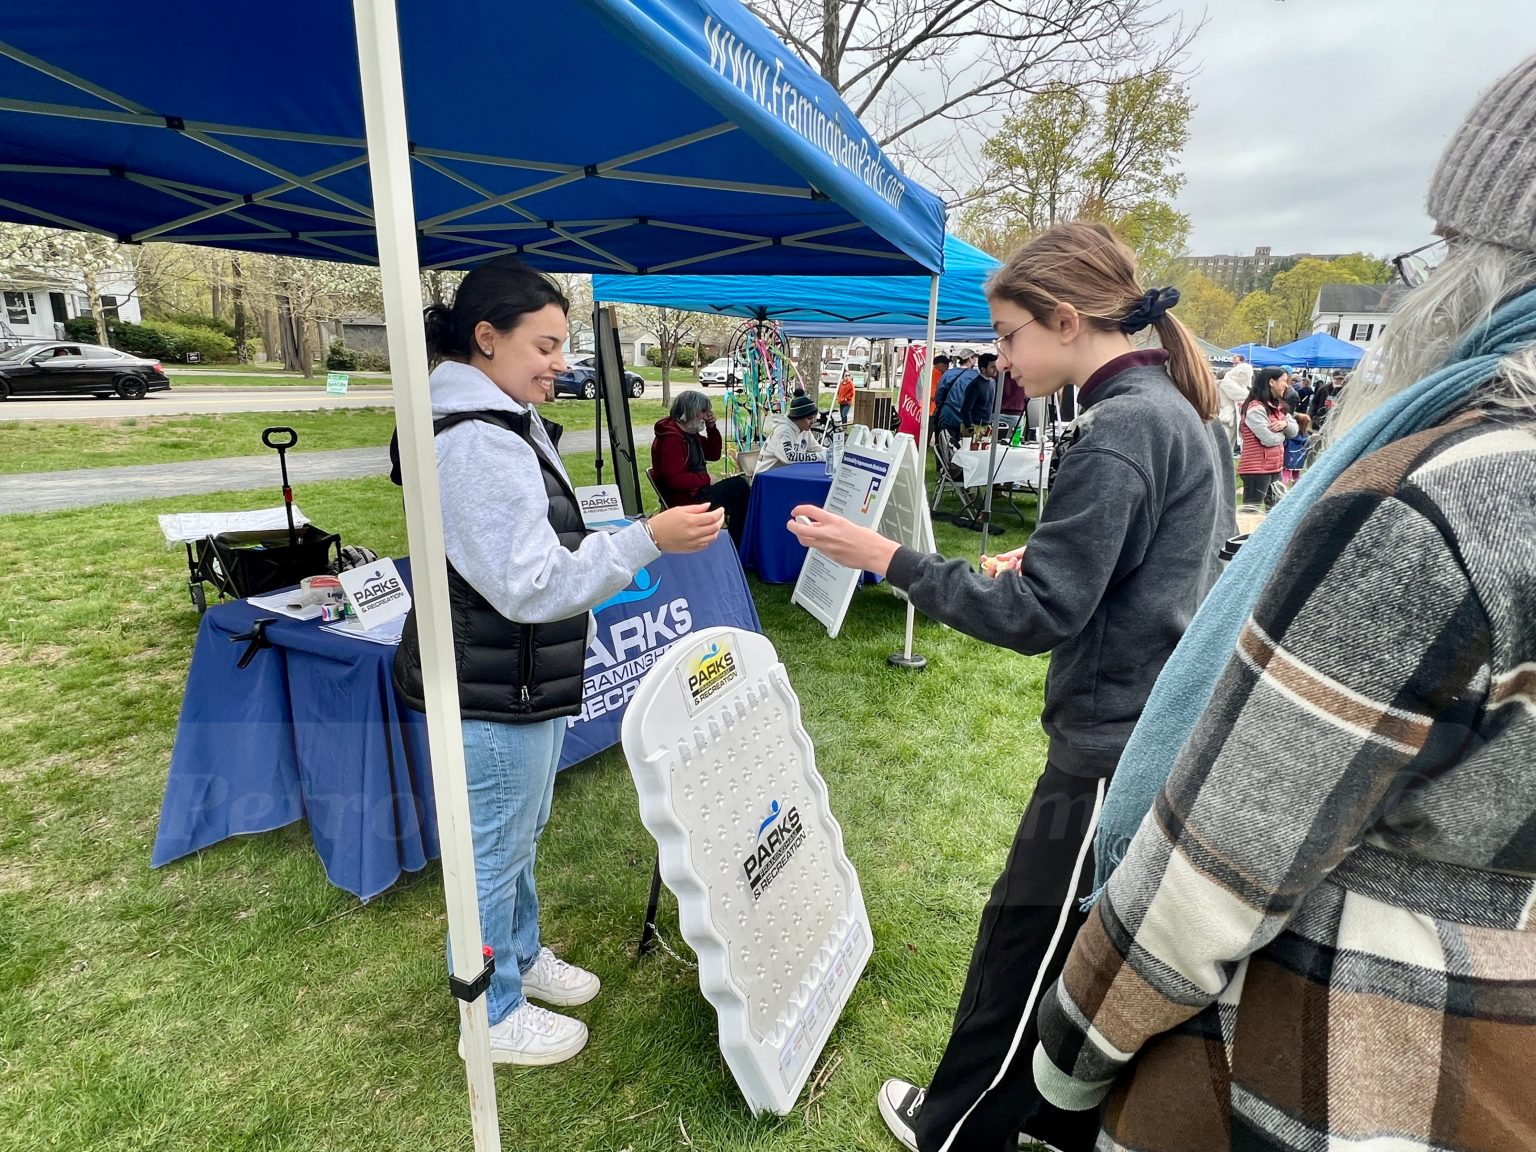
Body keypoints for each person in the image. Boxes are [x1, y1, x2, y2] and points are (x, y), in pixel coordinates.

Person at [1032, 53, 1536, 1152]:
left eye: (1441, 249)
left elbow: (1227, 854)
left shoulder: (1455, 487)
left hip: (1323, 1066)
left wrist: (1065, 1063)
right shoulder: (1178, 411)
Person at [788, 220, 1235, 1152]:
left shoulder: (1119, 428)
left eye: (1006, 335)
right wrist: (1052, 551)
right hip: (1147, 733)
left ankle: (953, 1130)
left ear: (1065, 320)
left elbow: (1036, 617)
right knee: (1085, 952)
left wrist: (889, 557)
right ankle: (1058, 1120)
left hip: (1111, 753)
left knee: (1023, 951)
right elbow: (1169, 559)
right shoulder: (1171, 411)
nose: (1000, 358)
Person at [391, 256, 722, 1067]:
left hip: (517, 676)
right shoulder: (473, 440)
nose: (558, 364)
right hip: (491, 684)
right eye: (544, 345)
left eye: (561, 345)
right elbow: (528, 583)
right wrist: (649, 537)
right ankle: (492, 1015)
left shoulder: (502, 418)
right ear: (486, 338)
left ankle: (523, 957)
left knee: (518, 834)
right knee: (494, 853)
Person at [650, 391, 751, 545]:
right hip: (685, 500)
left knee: (740, 486)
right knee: (739, 487)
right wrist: (706, 478)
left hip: (696, 493)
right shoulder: (671, 439)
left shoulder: (689, 433)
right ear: (689, 411)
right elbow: (674, 480)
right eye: (703, 411)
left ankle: (738, 543)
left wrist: (711, 428)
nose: (706, 416)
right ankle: (737, 545)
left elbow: (713, 453)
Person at [1237, 367, 1298, 506]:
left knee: (1277, 511)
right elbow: (1269, 440)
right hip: (1256, 470)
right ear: (1271, 382)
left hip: (1275, 468)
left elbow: (1294, 431)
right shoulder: (1255, 409)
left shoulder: (1278, 407)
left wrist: (1285, 424)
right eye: (1284, 381)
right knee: (1251, 512)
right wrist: (1284, 434)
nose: (1286, 385)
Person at [757, 392, 827, 473]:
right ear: (797, 418)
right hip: (766, 477)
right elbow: (789, 458)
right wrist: (820, 456)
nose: (813, 421)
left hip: (786, 474)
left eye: (814, 418)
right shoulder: (783, 431)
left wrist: (832, 453)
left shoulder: (805, 430)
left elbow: (817, 449)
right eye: (809, 418)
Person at [934, 349, 979, 443]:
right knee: (965, 449)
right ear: (970, 359)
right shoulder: (976, 376)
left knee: (945, 447)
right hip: (967, 419)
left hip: (948, 416)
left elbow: (939, 395)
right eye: (974, 357)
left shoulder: (948, 374)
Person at [1218, 355, 1253, 450]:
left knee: (1230, 446)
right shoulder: (1227, 382)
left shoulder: (1241, 385)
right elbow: (1243, 395)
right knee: (1224, 446)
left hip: (1234, 419)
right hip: (1226, 419)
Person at [960, 352, 1001, 430]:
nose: (996, 369)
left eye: (996, 366)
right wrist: (970, 427)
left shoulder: (992, 382)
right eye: (992, 367)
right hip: (975, 425)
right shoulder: (975, 385)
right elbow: (966, 409)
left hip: (986, 424)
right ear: (983, 369)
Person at [1281, 409, 1311, 485]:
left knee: (1286, 474)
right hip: (1299, 460)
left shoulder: (1290, 436)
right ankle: (1296, 488)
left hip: (1287, 458)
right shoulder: (1307, 437)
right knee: (1296, 475)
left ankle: (1282, 488)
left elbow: (1284, 444)